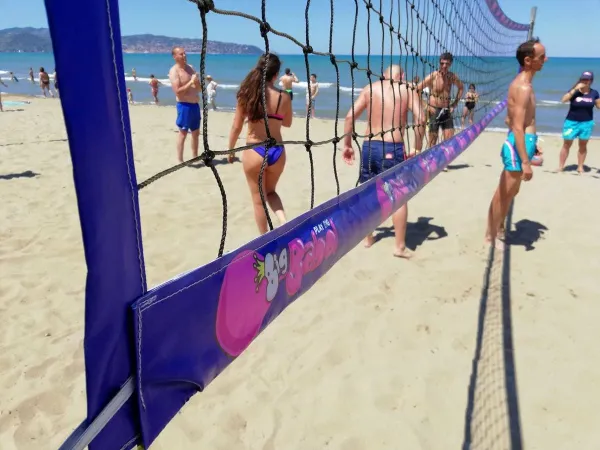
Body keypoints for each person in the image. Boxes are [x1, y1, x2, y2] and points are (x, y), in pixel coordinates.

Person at [342, 65, 425, 258]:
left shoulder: (370, 88)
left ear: (383, 75)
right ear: (402, 76)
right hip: (392, 147)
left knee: (368, 192)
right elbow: (421, 118)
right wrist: (417, 147)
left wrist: (347, 144)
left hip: (369, 147)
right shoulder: (406, 89)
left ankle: (368, 238)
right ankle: (399, 247)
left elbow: (349, 117)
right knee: (399, 195)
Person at [484, 38, 547, 249]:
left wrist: (533, 142)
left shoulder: (526, 84)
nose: (546, 60)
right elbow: (517, 127)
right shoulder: (522, 87)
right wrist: (526, 162)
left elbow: (511, 120)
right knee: (504, 192)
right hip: (518, 144)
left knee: (513, 192)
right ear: (528, 60)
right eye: (541, 57)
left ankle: (499, 228)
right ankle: (490, 236)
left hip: (525, 142)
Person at [228, 54, 293, 235]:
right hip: (277, 151)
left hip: (255, 149)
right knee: (271, 192)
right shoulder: (284, 96)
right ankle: (283, 221)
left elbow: (236, 126)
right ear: (276, 74)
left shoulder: (247, 94)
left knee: (258, 200)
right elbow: (287, 123)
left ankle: (264, 238)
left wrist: (231, 150)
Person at [417, 52, 464, 148]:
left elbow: (461, 88)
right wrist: (426, 105)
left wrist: (454, 104)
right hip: (434, 110)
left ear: (450, 64)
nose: (444, 66)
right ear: (439, 63)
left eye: (447, 64)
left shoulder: (452, 77)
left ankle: (443, 162)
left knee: (449, 139)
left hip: (446, 110)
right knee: (433, 140)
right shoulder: (433, 76)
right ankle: (430, 161)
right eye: (442, 63)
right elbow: (417, 89)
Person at [557, 71, 600, 174]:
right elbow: (563, 100)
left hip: (586, 123)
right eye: (583, 79)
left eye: (587, 79)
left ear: (591, 81)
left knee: (583, 145)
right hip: (571, 122)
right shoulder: (574, 91)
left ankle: (580, 167)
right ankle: (561, 167)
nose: (585, 81)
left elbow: (598, 106)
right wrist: (574, 89)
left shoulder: (594, 93)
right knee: (566, 144)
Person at [168, 46, 202, 163]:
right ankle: (180, 160)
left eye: (185, 53)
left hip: (195, 105)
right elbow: (177, 91)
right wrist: (190, 82)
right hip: (184, 106)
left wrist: (196, 82)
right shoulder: (174, 71)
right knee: (183, 133)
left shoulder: (191, 68)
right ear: (175, 57)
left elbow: (199, 89)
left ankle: (195, 156)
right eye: (181, 54)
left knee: (196, 133)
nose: (184, 56)